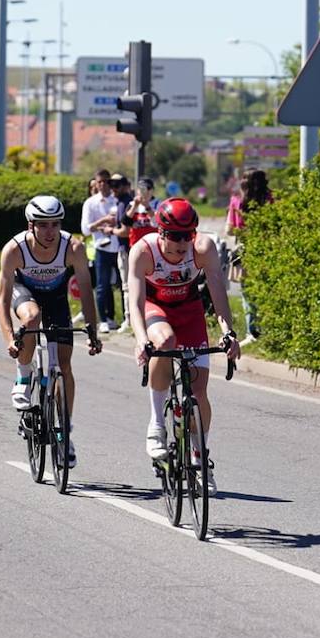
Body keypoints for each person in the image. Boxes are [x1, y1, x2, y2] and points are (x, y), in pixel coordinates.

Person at [127, 197, 241, 495]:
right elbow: (135, 303)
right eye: (175, 237)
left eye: (187, 236)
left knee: (199, 390)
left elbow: (218, 293)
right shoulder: (143, 251)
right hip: (156, 309)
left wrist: (228, 332)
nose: (181, 244)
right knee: (164, 342)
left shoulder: (203, 249)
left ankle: (200, 455)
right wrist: (141, 339)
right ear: (161, 232)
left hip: (189, 312)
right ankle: (156, 424)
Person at [0, 195, 103, 468]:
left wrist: (93, 331)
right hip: (26, 293)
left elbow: (87, 293)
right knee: (31, 317)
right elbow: (2, 299)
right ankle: (23, 377)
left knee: (64, 366)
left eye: (55, 224)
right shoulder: (15, 249)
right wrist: (9, 338)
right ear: (30, 226)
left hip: (56, 298)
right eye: (43, 225)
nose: (50, 231)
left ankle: (65, 433)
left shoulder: (73, 248)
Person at [80, 169, 121, 333]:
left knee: (121, 284)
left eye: (106, 181)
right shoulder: (91, 203)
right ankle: (103, 319)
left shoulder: (117, 200)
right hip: (101, 247)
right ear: (96, 184)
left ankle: (116, 318)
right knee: (102, 284)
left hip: (118, 246)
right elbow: (85, 229)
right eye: (100, 182)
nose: (103, 185)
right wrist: (102, 222)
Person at [238, 169, 274, 342]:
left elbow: (231, 228)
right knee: (266, 288)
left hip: (246, 249)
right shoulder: (271, 199)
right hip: (267, 249)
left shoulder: (237, 201)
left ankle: (252, 332)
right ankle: (268, 328)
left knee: (247, 291)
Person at [110, 173, 134, 332]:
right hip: (126, 249)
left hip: (127, 249)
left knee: (127, 286)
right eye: (111, 184)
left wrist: (111, 230)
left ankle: (129, 319)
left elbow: (126, 232)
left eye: (117, 185)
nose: (113, 188)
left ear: (125, 186)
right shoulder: (122, 202)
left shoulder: (126, 203)